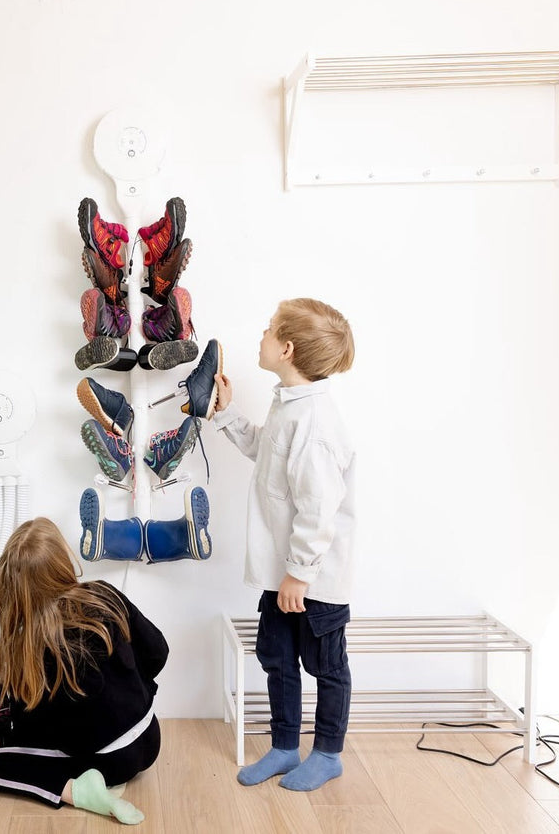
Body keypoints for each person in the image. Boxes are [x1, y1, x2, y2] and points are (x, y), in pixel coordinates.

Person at [211, 297, 356, 792]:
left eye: (270, 329)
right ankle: (284, 746)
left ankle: (328, 753)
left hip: (311, 580)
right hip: (284, 574)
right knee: (277, 658)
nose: (262, 334)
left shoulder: (316, 424)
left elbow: (319, 510)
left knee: (326, 666)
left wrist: (299, 573)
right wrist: (228, 415)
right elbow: (263, 451)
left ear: (287, 349)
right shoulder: (288, 403)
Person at [0, 517, 168, 825]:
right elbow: (158, 652)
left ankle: (78, 792)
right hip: (150, 737)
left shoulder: (31, 645)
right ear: (63, 560)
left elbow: (31, 734)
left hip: (110, 761)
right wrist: (127, 688)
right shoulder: (105, 594)